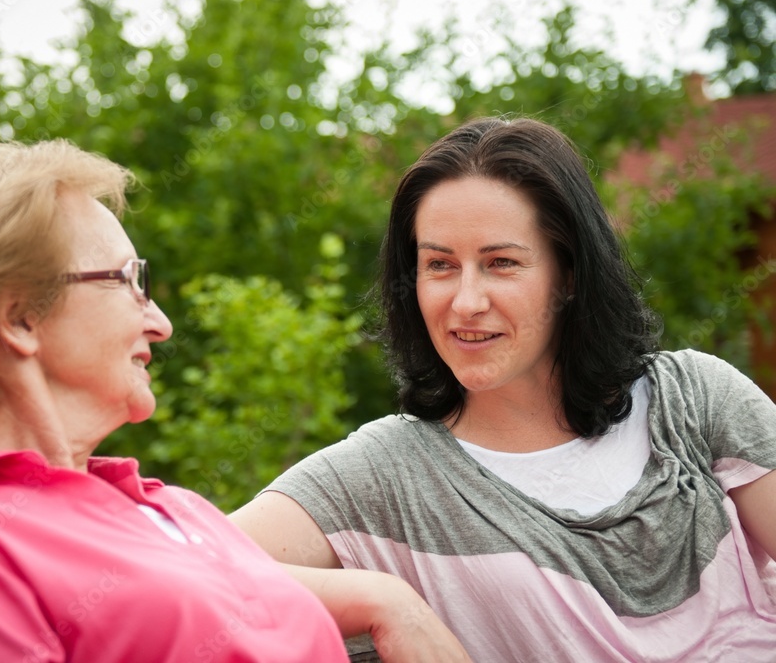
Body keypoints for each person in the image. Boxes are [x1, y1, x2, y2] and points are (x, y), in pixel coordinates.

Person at [230, 117, 776, 661]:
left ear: (568, 274)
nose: (466, 302)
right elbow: (183, 568)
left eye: (501, 263)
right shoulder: (385, 475)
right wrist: (387, 603)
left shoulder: (695, 400)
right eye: (439, 265)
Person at [0, 140, 357, 662]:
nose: (161, 324)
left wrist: (388, 600)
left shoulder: (181, 509)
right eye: (131, 280)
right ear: (18, 319)